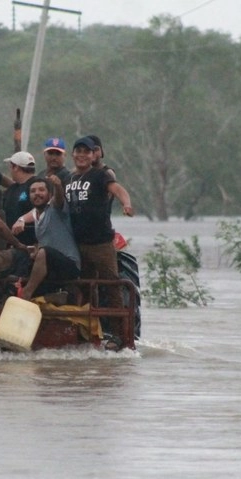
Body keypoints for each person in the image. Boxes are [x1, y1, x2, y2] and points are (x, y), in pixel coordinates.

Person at [65, 136, 134, 336]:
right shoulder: (68, 178)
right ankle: (89, 334)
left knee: (111, 287)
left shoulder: (100, 175)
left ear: (93, 154)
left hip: (101, 243)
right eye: (78, 151)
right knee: (84, 289)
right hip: (78, 244)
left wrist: (126, 203)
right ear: (73, 155)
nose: (81, 155)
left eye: (86, 152)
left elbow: (117, 189)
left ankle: (121, 337)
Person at [14, 176, 80, 300]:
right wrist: (21, 220)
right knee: (23, 258)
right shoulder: (37, 214)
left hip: (69, 266)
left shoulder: (55, 209)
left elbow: (59, 198)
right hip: (51, 269)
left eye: (41, 190)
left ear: (49, 194)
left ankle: (26, 294)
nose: (37, 193)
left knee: (44, 252)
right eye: (33, 191)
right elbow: (31, 214)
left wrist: (58, 186)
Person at [2, 151, 38, 246]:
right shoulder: (11, 189)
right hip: (14, 244)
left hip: (33, 244)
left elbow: (45, 209)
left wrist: (23, 219)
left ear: (16, 167)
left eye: (11, 166)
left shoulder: (38, 185)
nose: (10, 170)